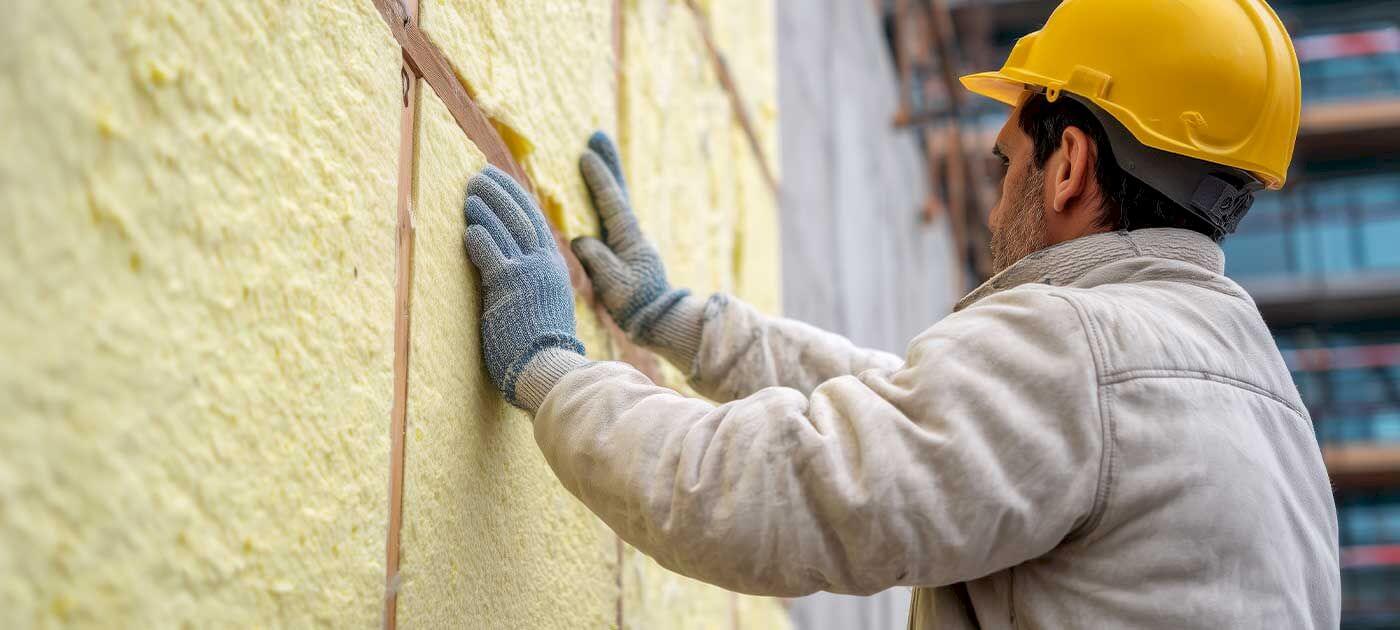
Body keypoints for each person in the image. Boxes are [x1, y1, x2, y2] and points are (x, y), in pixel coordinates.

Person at [459, 0, 1340, 626]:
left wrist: (552, 373)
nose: (996, 207)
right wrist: (685, 324)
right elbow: (930, 423)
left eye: (1007, 163)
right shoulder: (1267, 416)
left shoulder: (1084, 351)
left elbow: (783, 490)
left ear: (1069, 165)